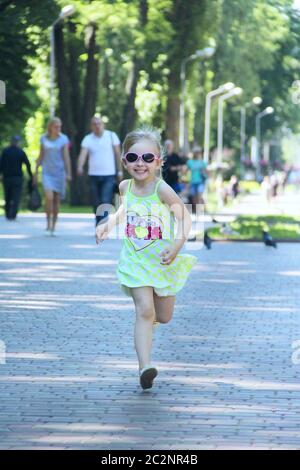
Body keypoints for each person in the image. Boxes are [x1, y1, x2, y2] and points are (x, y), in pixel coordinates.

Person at [95, 127, 197, 390]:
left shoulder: (162, 189)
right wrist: (108, 224)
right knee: (144, 309)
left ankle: (150, 321)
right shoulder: (125, 186)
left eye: (147, 158)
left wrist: (175, 247)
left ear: (158, 162)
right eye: (133, 158)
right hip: (135, 262)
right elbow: (123, 211)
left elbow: (185, 218)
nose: (140, 163)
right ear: (124, 161)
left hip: (162, 261)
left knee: (162, 317)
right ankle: (145, 367)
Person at [77, 116, 122, 225]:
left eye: (99, 123)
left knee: (105, 200)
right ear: (91, 126)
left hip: (109, 175)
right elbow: (83, 154)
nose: (97, 126)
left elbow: (118, 154)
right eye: (94, 124)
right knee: (96, 202)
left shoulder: (111, 136)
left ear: (103, 125)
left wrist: (120, 170)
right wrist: (80, 166)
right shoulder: (88, 139)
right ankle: (99, 224)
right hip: (93, 175)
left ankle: (103, 225)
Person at [34, 117, 72, 236]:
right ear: (50, 127)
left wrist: (69, 173)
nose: (58, 128)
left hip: (59, 173)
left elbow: (66, 157)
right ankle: (48, 223)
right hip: (47, 172)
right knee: (49, 197)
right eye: (56, 126)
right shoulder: (43, 139)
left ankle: (53, 226)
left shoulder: (63, 139)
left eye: (60, 126)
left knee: (56, 200)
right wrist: (35, 171)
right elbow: (41, 156)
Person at [0, 135, 32, 220]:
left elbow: (1, 164)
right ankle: (13, 214)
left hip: (7, 177)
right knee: (16, 196)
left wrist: (1, 174)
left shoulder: (5, 151)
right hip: (17, 178)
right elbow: (28, 164)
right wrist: (31, 176)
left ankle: (7, 214)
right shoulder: (20, 152)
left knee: (8, 196)